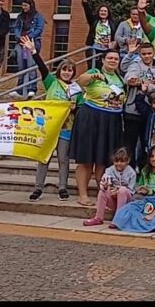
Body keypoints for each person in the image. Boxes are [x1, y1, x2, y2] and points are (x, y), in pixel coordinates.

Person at [21, 36, 79, 202]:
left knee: (63, 159)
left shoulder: (76, 89)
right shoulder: (51, 82)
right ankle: (38, 188)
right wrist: (34, 52)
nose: (67, 72)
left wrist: (75, 109)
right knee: (44, 158)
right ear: (59, 71)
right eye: (64, 69)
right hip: (48, 128)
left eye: (70, 70)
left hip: (66, 128)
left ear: (73, 73)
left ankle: (63, 187)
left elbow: (81, 108)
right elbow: (42, 68)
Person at [69, 50, 125, 206]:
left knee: (104, 160)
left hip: (111, 120)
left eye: (116, 59)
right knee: (86, 159)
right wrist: (93, 76)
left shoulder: (119, 78)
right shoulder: (94, 71)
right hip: (91, 118)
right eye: (110, 58)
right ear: (103, 59)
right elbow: (80, 81)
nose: (113, 61)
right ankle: (83, 194)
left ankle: (103, 195)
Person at [111, 144, 155, 233]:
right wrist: (140, 191)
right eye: (152, 156)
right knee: (125, 210)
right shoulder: (145, 170)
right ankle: (144, 225)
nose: (154, 159)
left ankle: (151, 225)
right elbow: (139, 192)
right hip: (147, 200)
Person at [83, 147, 137, 227]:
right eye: (116, 161)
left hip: (126, 201)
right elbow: (104, 181)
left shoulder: (131, 173)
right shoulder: (109, 170)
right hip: (114, 199)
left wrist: (118, 190)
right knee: (102, 192)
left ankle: (118, 219)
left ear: (127, 161)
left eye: (122, 161)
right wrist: (105, 187)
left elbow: (131, 191)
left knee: (122, 190)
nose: (119, 164)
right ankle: (98, 218)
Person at [11, 0, 45, 98]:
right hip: (21, 43)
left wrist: (28, 37)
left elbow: (39, 29)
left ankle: (32, 89)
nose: (24, 7)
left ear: (31, 6)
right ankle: (20, 89)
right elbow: (16, 27)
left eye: (25, 5)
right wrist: (19, 37)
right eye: (23, 5)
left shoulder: (38, 16)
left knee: (31, 65)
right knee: (21, 66)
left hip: (32, 42)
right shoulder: (20, 16)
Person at [81, 0, 117, 69]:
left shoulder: (113, 23)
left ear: (108, 13)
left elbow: (115, 35)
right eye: (101, 11)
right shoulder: (94, 20)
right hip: (94, 48)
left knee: (104, 68)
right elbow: (88, 12)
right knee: (93, 67)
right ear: (98, 12)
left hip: (107, 49)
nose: (103, 12)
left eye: (105, 11)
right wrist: (85, 1)